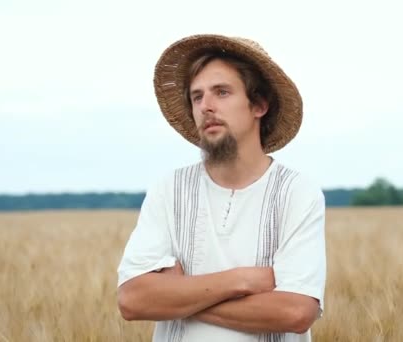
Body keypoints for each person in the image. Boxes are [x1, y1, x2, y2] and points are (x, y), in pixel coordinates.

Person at [116, 34, 327, 341]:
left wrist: (179, 296)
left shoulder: (296, 192)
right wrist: (242, 280)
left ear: (258, 105)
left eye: (222, 92)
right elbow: (133, 300)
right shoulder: (169, 189)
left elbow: (295, 312)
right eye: (197, 97)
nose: (206, 106)